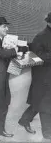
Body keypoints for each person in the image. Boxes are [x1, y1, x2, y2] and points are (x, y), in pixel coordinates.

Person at [20, 12, 51, 140]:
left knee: (39, 102)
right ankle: (47, 133)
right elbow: (36, 57)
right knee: (46, 105)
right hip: (43, 77)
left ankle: (24, 120)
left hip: (48, 76)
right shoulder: (40, 37)